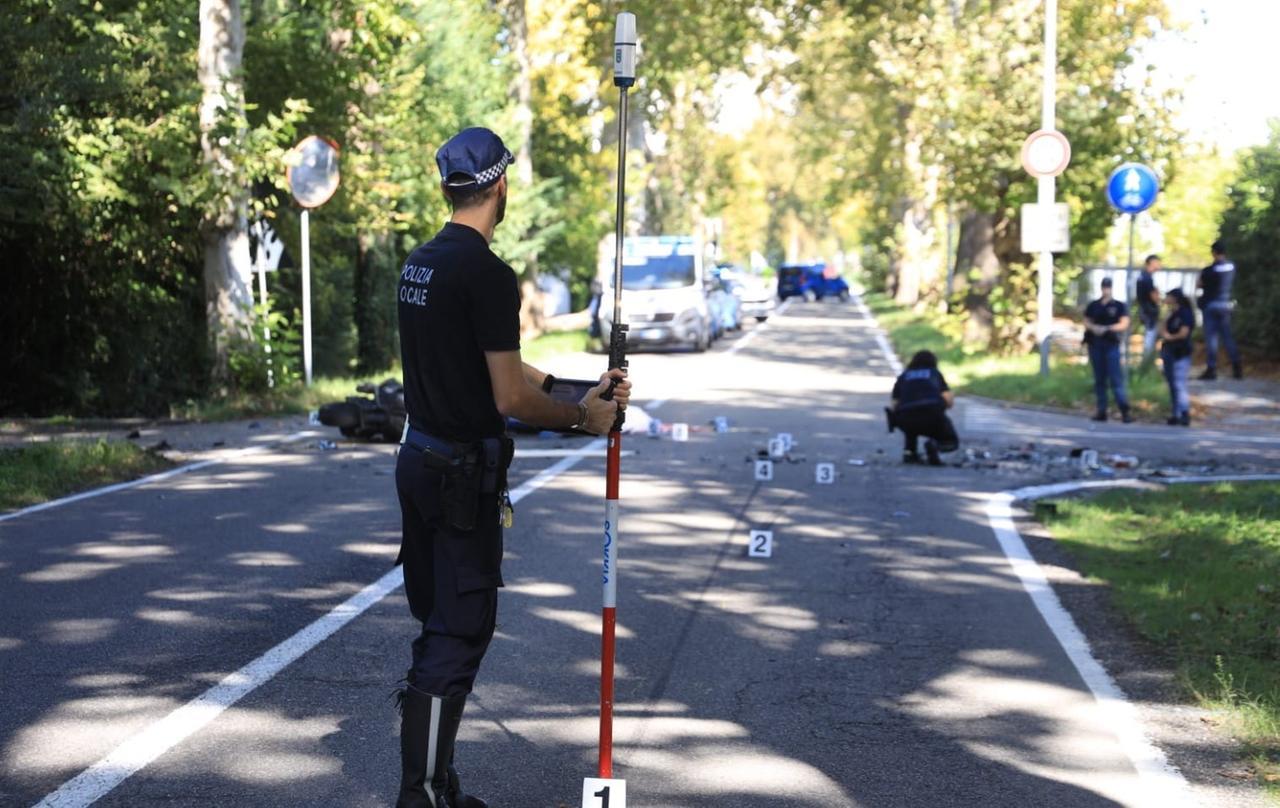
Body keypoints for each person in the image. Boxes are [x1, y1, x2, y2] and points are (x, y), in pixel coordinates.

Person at [393, 126, 631, 808]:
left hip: (420, 461)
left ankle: (438, 782)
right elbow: (507, 395)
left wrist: (569, 388)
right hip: (460, 479)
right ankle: (425, 795)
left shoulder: (422, 262)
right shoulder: (489, 275)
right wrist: (585, 418)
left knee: (441, 622)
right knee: (458, 631)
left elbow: (501, 365)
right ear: (501, 187)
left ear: (450, 187)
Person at [885, 350, 959, 466]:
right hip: (933, 416)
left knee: (910, 419)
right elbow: (948, 399)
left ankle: (909, 452)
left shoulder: (904, 376)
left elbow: (894, 405)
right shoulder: (934, 373)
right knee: (949, 440)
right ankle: (936, 445)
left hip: (906, 419)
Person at [1083, 277, 1133, 422]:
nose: (1106, 289)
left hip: (1111, 345)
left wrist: (1107, 328)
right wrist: (1094, 328)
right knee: (1099, 379)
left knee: (1116, 379)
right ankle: (1101, 410)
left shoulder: (1118, 306)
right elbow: (1087, 320)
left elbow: (1124, 323)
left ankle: (1124, 410)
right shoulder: (1094, 305)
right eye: (1104, 287)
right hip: (1096, 344)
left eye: (1108, 287)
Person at [1196, 240, 1242, 380]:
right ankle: (1237, 367)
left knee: (1212, 339)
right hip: (1225, 305)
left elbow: (1199, 284)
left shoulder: (1208, 270)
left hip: (1211, 305)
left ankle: (1211, 369)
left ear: (1213, 253)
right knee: (1228, 337)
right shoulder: (1231, 267)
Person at [1159, 288, 1194, 426]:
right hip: (1169, 352)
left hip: (1181, 352)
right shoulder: (1172, 313)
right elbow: (1161, 328)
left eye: (1168, 296)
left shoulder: (1185, 313)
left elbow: (1184, 332)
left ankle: (1184, 413)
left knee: (1179, 384)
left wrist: (1170, 337)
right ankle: (1176, 413)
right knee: (1172, 384)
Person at [1135, 254, 1162, 357]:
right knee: (1150, 337)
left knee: (1149, 336)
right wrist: (1158, 296)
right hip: (1149, 311)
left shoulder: (1143, 276)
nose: (1159, 265)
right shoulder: (1147, 277)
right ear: (1151, 262)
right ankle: (1147, 362)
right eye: (1157, 262)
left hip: (1145, 310)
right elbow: (1154, 297)